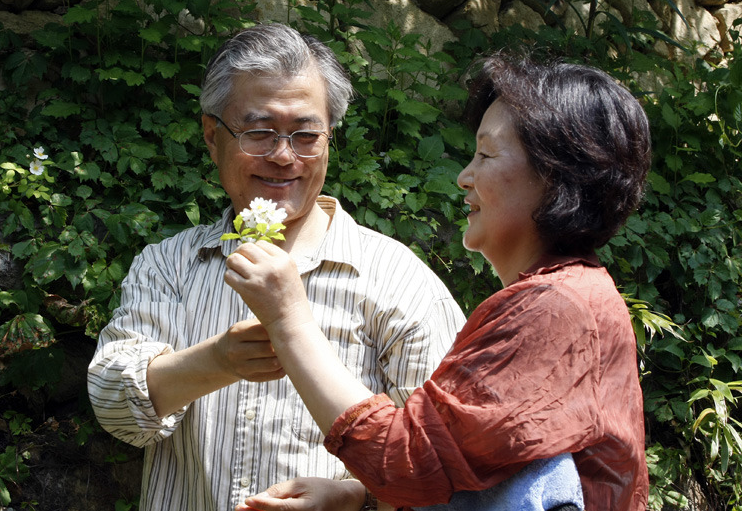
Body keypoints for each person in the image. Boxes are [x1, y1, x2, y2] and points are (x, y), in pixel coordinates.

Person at [224, 54, 651, 510]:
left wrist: (289, 319)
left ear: (555, 176)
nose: (465, 177)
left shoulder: (555, 306)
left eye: (486, 155)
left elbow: (405, 462)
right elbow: (467, 470)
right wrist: (357, 497)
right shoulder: (571, 295)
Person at [86, 23, 466, 511]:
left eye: (306, 135)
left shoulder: (398, 281)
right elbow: (115, 409)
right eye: (259, 132)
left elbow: (447, 458)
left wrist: (356, 497)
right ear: (212, 136)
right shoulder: (169, 266)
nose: (284, 156)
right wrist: (217, 361)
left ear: (329, 139)